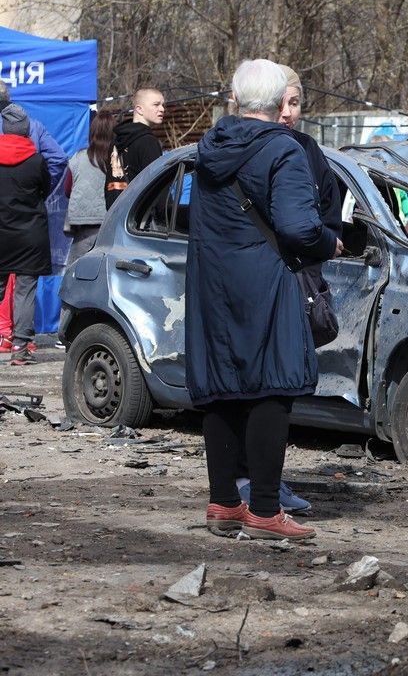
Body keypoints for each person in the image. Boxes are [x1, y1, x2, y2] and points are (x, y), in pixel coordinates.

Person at [188, 59, 341, 540]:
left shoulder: (209, 147)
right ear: (278, 104)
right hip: (267, 281)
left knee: (222, 387)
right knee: (272, 387)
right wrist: (329, 243)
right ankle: (265, 510)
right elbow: (298, 227)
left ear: (235, 101)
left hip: (213, 281)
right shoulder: (283, 149)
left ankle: (223, 503)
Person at [228, 64, 344, 515]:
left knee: (278, 388)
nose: (288, 112)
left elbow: (327, 216)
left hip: (295, 281)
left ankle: (264, 484)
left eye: (295, 103)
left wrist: (323, 242)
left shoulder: (308, 151)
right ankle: (247, 486)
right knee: (249, 386)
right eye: (283, 102)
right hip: (250, 281)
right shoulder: (239, 148)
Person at [0, 104, 51, 366]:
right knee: (25, 291)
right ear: (25, 131)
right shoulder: (36, 161)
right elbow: (46, 189)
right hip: (30, 234)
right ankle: (20, 348)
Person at [58, 112, 115, 336]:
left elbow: (67, 190)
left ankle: (66, 331)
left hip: (83, 228)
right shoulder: (116, 158)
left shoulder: (79, 158)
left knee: (74, 278)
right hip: (111, 226)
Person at [106, 88, 166, 208]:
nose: (162, 109)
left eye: (163, 105)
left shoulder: (116, 141)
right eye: (156, 104)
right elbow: (156, 185)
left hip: (116, 212)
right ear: (139, 109)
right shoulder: (148, 142)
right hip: (139, 214)